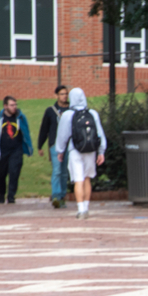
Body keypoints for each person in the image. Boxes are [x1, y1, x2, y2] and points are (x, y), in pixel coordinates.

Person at [54, 88, 106, 220]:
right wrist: (101, 151)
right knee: (87, 178)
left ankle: (81, 209)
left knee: (78, 179)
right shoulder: (93, 113)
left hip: (75, 150)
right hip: (91, 150)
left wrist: (60, 151)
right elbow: (99, 134)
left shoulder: (67, 115)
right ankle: (87, 207)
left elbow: (62, 135)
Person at [0, 96, 33, 204]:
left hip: (16, 150)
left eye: (15, 105)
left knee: (14, 172)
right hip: (2, 151)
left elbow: (26, 132)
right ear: (5, 106)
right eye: (12, 105)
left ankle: (11, 195)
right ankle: (1, 194)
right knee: (1, 174)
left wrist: (28, 147)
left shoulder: (20, 117)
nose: (14, 107)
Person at [38, 85, 70, 208]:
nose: (64, 96)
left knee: (64, 172)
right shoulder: (51, 111)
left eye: (66, 94)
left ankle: (62, 196)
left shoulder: (71, 110)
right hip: (55, 144)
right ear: (56, 96)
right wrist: (40, 145)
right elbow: (44, 128)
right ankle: (56, 195)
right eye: (62, 94)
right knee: (57, 170)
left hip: (68, 144)